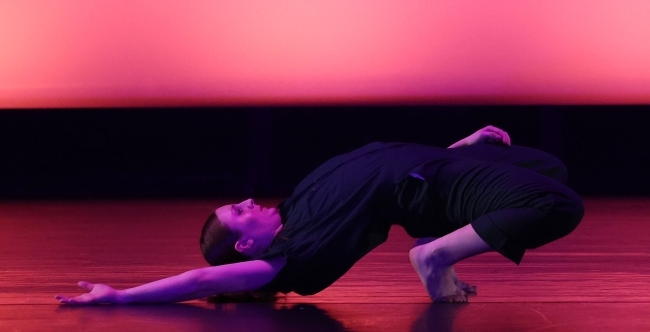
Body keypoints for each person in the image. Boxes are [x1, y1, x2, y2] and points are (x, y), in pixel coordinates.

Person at [56, 126, 584, 305]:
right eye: (238, 214)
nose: (245, 203)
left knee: (548, 168)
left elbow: (381, 171)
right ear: (245, 246)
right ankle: (435, 254)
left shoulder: (296, 206)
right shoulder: (286, 256)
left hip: (436, 167)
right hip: (431, 189)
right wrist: (121, 295)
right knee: (557, 204)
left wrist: (460, 147)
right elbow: (200, 277)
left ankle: (438, 250)